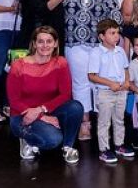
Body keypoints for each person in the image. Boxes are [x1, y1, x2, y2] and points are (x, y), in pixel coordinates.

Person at [63, 0, 123, 141]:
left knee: (100, 85)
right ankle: (85, 124)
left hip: (99, 46)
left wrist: (107, 38)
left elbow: (116, 18)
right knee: (80, 84)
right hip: (74, 44)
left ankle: (103, 124)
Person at [6, 26, 83, 163]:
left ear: (55, 44)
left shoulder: (60, 63)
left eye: (49, 41)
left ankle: (68, 147)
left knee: (75, 107)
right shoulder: (19, 66)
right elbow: (14, 101)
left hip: (46, 110)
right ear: (34, 44)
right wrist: (41, 116)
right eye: (41, 41)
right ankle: (27, 140)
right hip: (22, 115)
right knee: (53, 140)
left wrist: (42, 110)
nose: (45, 45)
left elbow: (65, 95)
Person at [87, 19, 134, 164]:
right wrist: (110, 83)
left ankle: (119, 145)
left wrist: (127, 82)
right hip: (105, 93)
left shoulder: (120, 51)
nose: (116, 36)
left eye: (117, 33)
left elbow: (125, 68)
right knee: (104, 122)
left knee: (119, 119)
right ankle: (104, 149)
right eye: (112, 33)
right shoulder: (96, 52)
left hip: (121, 91)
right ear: (102, 36)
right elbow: (92, 76)